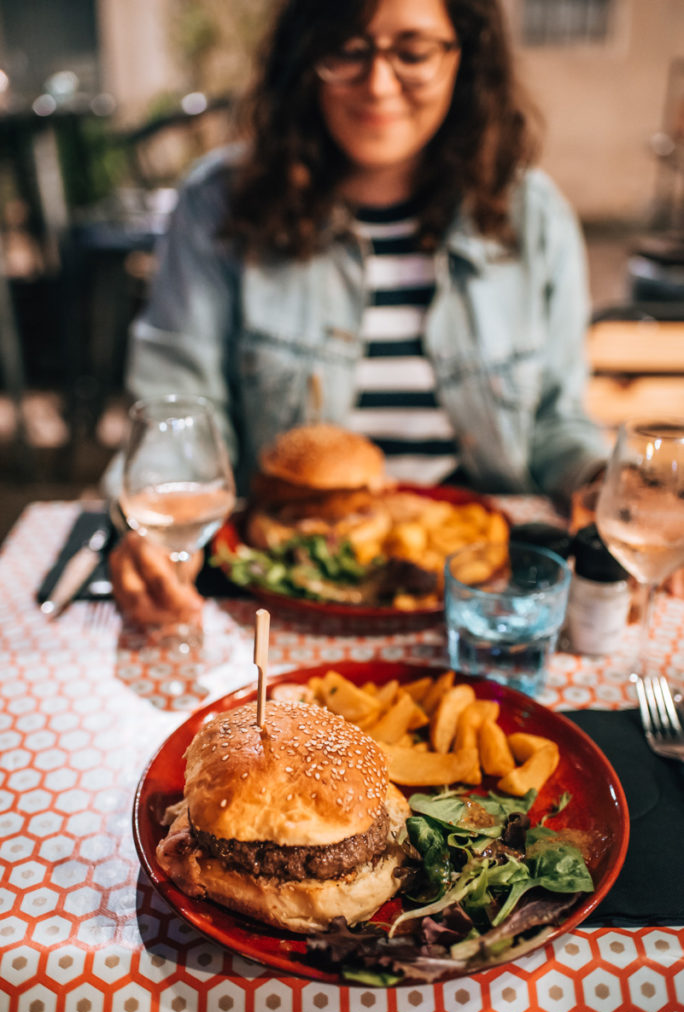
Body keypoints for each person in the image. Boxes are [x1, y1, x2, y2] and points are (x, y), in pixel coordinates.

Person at [109, 0, 610, 627]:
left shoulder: (534, 215)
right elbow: (176, 417)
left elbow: (556, 423)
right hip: (277, 606)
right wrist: (159, 536)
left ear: (465, 55)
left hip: (485, 604)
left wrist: (605, 484)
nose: (377, 83)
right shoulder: (218, 206)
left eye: (414, 50)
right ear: (304, 56)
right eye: (346, 47)